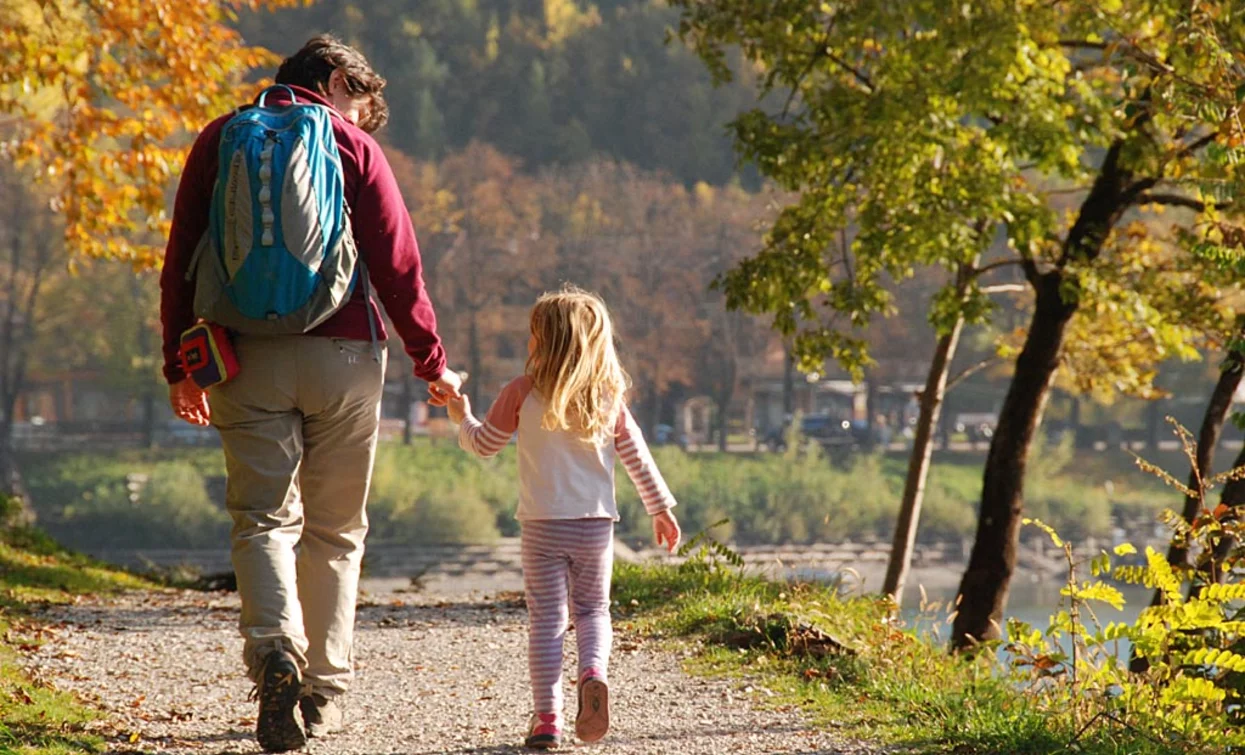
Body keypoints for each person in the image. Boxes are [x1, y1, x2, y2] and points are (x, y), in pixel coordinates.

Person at [158, 35, 461, 753]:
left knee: (262, 517)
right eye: (358, 100)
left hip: (242, 356)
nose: (361, 115)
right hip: (345, 352)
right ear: (333, 80)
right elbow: (397, 264)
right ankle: (322, 687)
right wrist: (432, 360)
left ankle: (273, 652)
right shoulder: (351, 147)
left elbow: (180, 258)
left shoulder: (220, 138)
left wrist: (178, 362)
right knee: (334, 527)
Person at [447, 287, 681, 750]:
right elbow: (637, 456)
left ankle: (547, 720)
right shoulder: (608, 397)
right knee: (594, 610)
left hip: (541, 526)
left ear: (545, 342)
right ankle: (593, 671)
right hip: (595, 524)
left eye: (533, 335)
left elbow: (483, 445)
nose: (528, 343)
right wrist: (661, 509)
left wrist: (461, 414)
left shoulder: (520, 392)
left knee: (547, 620)